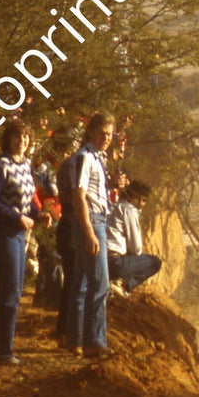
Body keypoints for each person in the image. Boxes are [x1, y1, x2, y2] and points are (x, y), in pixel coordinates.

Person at [0, 120, 47, 366]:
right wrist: (17, 217)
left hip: (19, 234)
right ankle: (4, 352)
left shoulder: (26, 165)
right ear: (8, 139)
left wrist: (38, 214)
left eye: (26, 137)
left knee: (11, 292)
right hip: (3, 233)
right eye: (17, 136)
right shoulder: (2, 165)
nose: (22, 141)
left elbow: (25, 202)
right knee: (10, 293)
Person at [66, 111, 116, 359]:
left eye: (110, 134)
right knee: (100, 283)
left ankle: (75, 339)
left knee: (82, 283)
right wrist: (88, 231)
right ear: (91, 132)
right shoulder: (85, 157)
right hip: (91, 221)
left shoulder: (97, 158)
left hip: (97, 220)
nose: (106, 138)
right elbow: (78, 195)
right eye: (102, 133)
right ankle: (95, 342)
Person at [107, 180, 163, 296]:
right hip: (115, 263)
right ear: (132, 196)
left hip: (101, 260)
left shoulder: (112, 206)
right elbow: (136, 248)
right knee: (155, 262)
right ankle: (123, 284)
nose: (141, 204)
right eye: (140, 199)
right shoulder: (129, 210)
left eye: (144, 201)